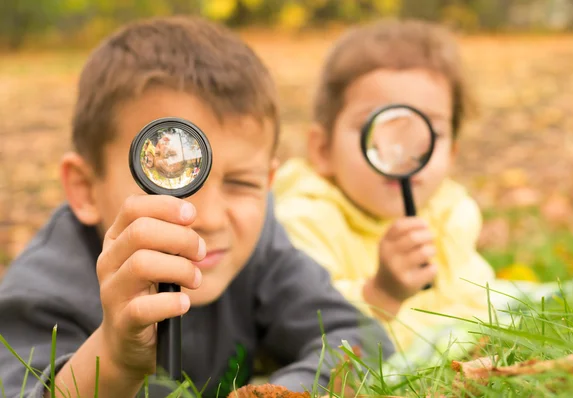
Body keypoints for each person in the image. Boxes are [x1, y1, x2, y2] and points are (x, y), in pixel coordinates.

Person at [0, 16, 394, 398]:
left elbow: (358, 337)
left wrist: (275, 394)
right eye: (166, 179)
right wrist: (114, 359)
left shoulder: (259, 246)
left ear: (269, 184)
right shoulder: (44, 290)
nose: (205, 217)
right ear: (85, 188)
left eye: (241, 183)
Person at [272, 18, 497, 352]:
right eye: (378, 130)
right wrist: (379, 295)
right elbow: (300, 328)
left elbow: (483, 305)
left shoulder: (450, 215)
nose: (400, 153)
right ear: (322, 149)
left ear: (451, 153)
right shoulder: (303, 222)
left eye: (427, 135)